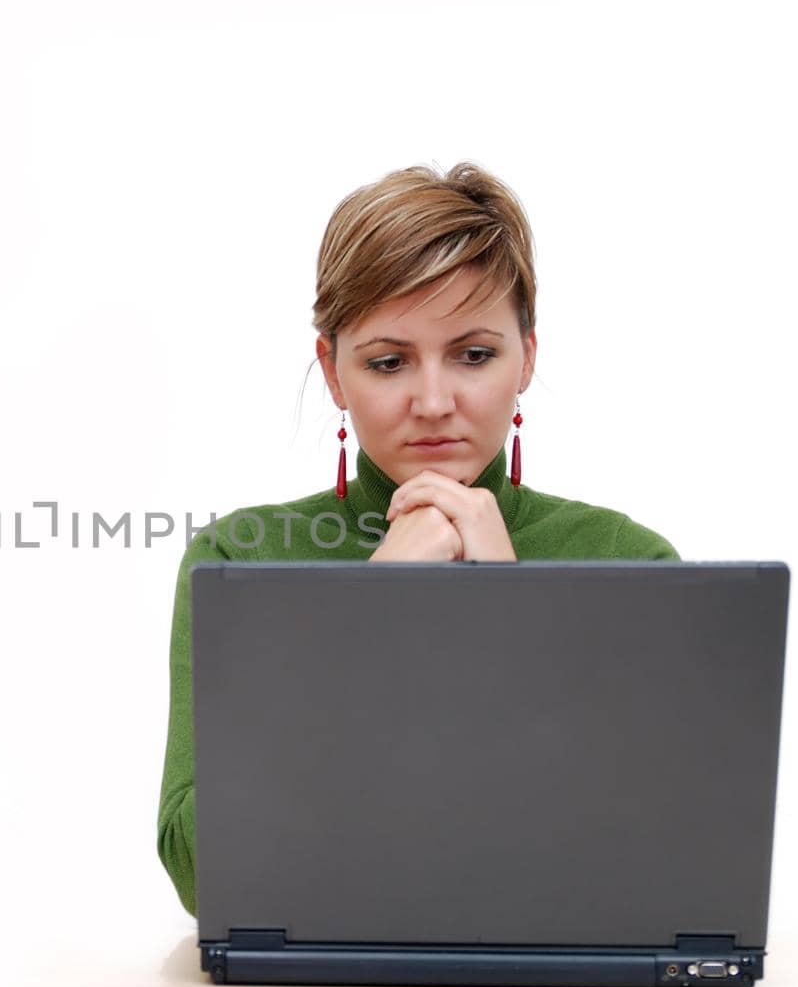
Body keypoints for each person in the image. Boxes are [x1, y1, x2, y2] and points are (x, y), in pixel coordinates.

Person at [155, 162, 679, 917]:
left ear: (527, 357)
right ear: (333, 373)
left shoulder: (631, 565)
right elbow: (203, 871)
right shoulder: (241, 560)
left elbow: (651, 869)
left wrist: (513, 617)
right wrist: (368, 614)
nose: (434, 402)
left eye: (473, 354)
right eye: (389, 361)